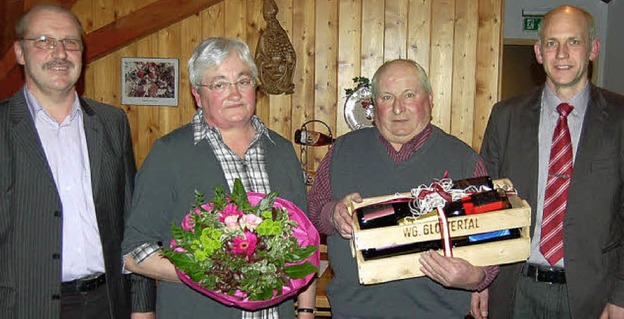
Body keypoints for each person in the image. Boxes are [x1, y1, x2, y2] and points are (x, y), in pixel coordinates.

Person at [121, 37, 316, 318]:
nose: (235, 94)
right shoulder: (169, 154)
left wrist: (306, 311)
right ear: (198, 95)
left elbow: (304, 243)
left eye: (243, 81)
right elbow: (134, 251)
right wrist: (209, 275)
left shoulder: (282, 151)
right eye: (220, 84)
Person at [0, 5, 155, 319]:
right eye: (45, 41)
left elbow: (133, 222)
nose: (59, 52)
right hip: (20, 308)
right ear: (20, 52)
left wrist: (142, 306)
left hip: (108, 303)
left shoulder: (111, 122)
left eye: (70, 42)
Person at [307, 59, 497, 319]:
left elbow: (493, 240)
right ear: (373, 107)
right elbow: (312, 212)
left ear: (429, 100)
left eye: (409, 95)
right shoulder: (342, 151)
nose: (398, 108)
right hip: (354, 312)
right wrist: (333, 214)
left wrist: (476, 278)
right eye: (387, 97)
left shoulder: (465, 161)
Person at [480, 5, 624, 319]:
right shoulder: (506, 116)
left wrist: (621, 295)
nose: (561, 54)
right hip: (515, 289)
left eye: (573, 42)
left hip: (592, 296)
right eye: (551, 43)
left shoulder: (619, 118)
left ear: (593, 49)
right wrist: (481, 280)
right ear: (538, 52)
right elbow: (485, 205)